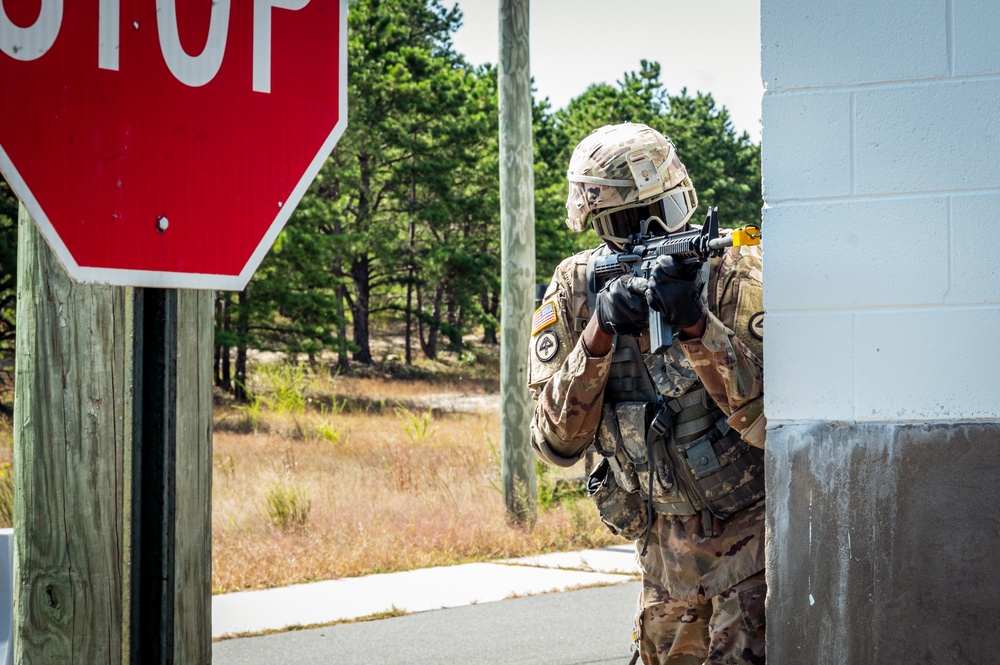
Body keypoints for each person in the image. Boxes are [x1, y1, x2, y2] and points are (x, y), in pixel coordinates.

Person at [527, 122, 767, 664]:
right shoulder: (577, 290)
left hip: (757, 561)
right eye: (627, 222)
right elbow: (554, 443)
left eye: (665, 212)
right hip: (664, 573)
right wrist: (598, 334)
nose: (651, 231)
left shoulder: (738, 278)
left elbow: (771, 425)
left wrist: (696, 328)